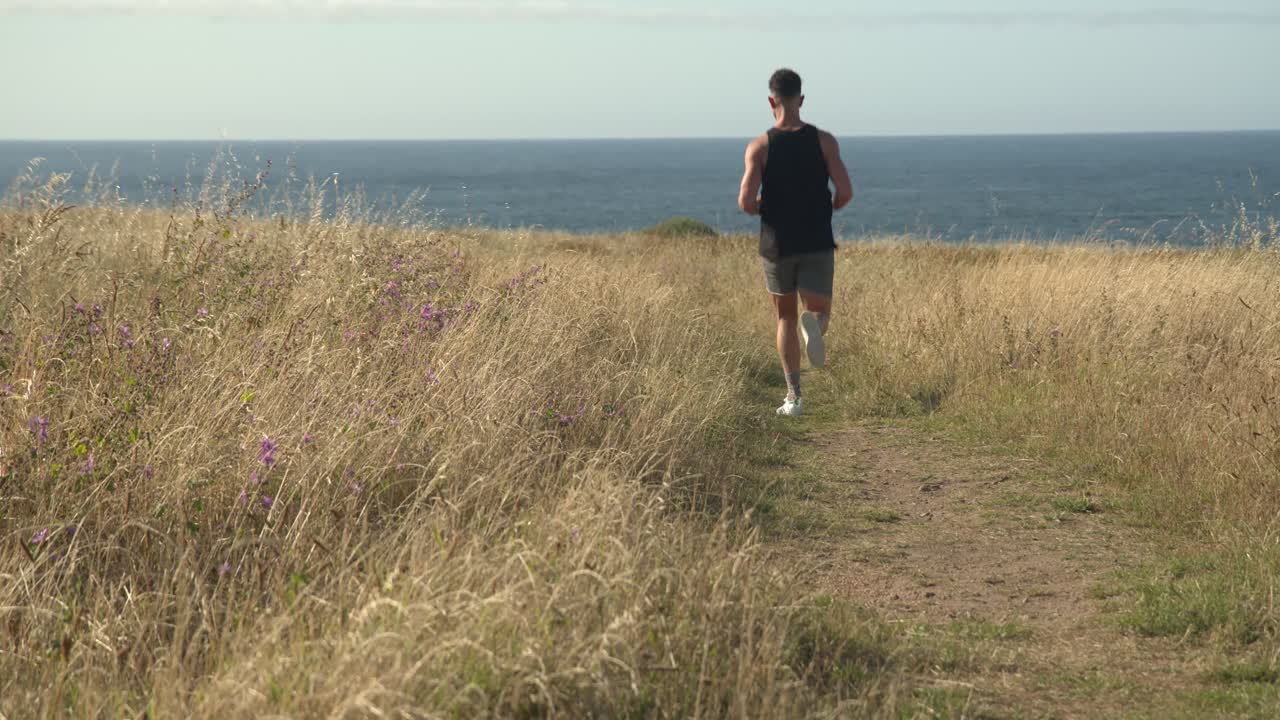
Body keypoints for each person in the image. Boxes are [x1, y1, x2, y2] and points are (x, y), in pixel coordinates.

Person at [738, 68, 854, 417]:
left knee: (785, 317)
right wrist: (829, 206)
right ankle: (815, 328)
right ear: (801, 100)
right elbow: (845, 192)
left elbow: (745, 202)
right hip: (816, 238)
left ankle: (794, 398)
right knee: (818, 310)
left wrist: (766, 206)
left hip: (777, 243)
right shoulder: (824, 141)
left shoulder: (760, 146)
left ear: (771, 101)